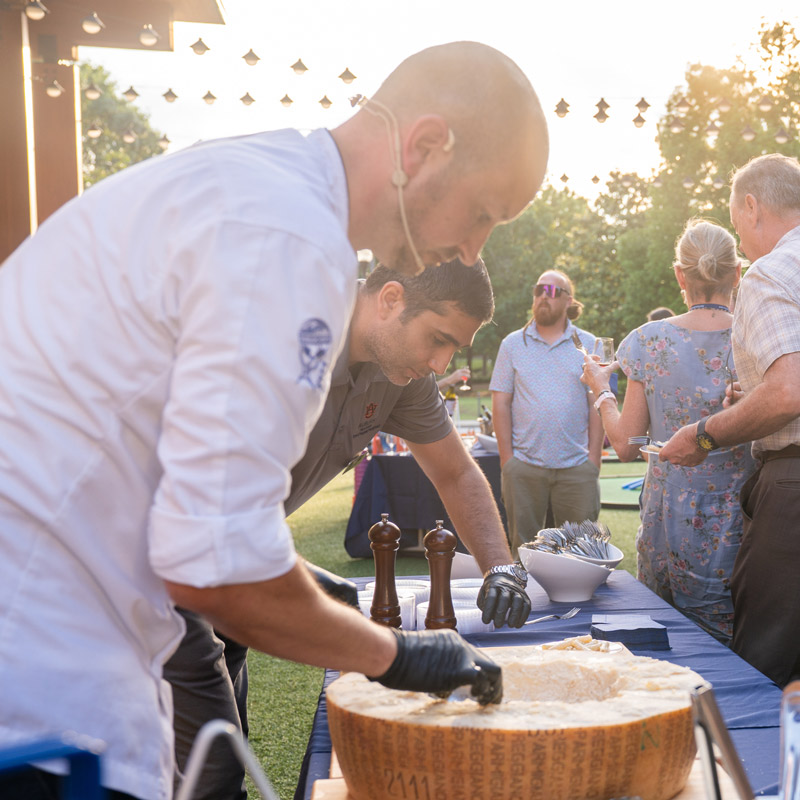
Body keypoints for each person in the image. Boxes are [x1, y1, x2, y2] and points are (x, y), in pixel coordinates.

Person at [0, 41, 549, 800]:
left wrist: (305, 581)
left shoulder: (257, 183)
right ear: (424, 146)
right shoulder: (291, 239)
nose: (472, 245)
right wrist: (398, 655)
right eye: (482, 213)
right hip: (44, 674)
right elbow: (216, 563)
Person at [167, 258, 530, 799]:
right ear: (390, 299)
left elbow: (455, 472)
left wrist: (501, 566)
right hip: (158, 556)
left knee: (223, 743)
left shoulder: (402, 371)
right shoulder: (280, 334)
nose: (440, 363)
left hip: (232, 550)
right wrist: (396, 656)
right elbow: (195, 511)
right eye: (437, 339)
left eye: (453, 348)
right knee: (209, 770)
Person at [660, 154, 800, 687]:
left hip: (792, 492)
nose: (740, 238)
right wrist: (761, 394)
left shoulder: (771, 271)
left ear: (752, 206)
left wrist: (703, 434)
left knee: (765, 668)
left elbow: (790, 391)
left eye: (738, 221)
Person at [582, 219, 755, 645]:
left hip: (665, 522)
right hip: (736, 523)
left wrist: (602, 392)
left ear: (680, 275)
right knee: (726, 648)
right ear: (737, 273)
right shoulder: (756, 338)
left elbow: (626, 445)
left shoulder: (649, 341)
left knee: (662, 642)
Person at [490, 270, 604, 555]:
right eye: (539, 290)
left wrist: (593, 460)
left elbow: (598, 403)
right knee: (523, 553)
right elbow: (500, 403)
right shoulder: (512, 344)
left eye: (552, 291)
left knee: (582, 553)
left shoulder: (588, 344)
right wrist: (507, 460)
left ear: (568, 301)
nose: (543, 296)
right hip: (524, 466)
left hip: (577, 466)